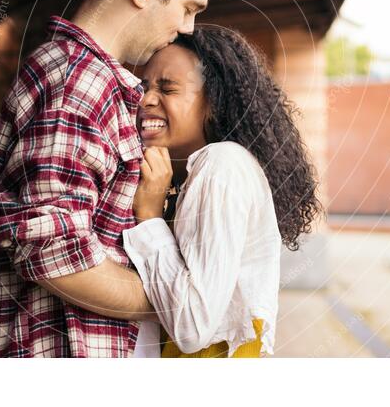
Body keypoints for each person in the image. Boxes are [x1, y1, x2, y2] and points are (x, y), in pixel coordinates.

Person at [0, 0, 237, 357]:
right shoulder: (77, 84)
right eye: (188, 6)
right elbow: (55, 259)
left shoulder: (91, 80)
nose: (188, 28)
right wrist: (178, 304)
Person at [123, 25, 324, 357]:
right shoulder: (196, 173)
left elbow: (192, 327)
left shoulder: (221, 166)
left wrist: (148, 219)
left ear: (213, 102)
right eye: (144, 86)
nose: (146, 99)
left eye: (168, 88)